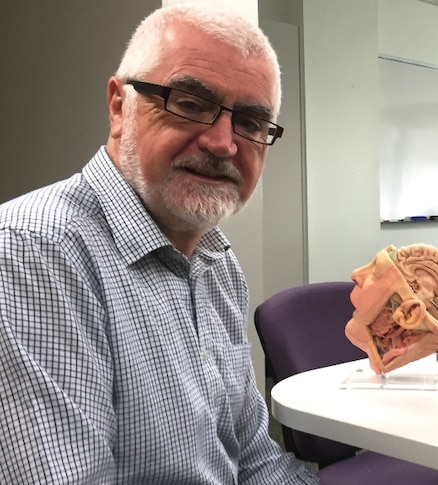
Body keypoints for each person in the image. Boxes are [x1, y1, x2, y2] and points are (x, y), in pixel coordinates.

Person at [0, 5, 319, 483]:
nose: (222, 143)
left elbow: (254, 456)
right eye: (189, 103)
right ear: (118, 107)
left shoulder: (217, 261)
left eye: (251, 123)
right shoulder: (33, 252)